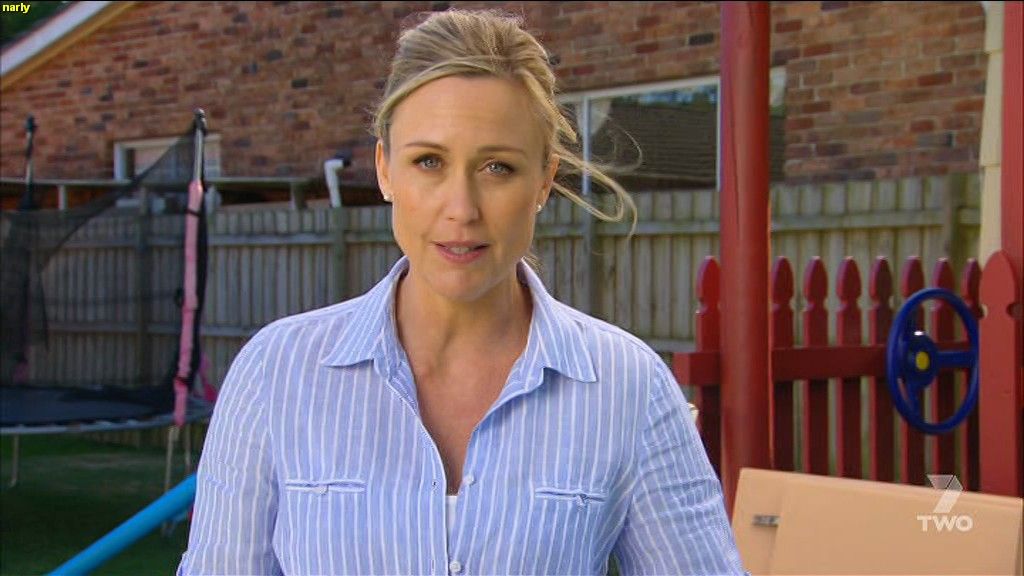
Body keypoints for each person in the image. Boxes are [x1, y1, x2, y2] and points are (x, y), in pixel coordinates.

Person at [178, 9, 746, 576]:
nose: (462, 208)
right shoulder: (276, 372)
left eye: (498, 167)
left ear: (544, 180)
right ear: (385, 169)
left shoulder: (628, 386)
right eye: (429, 161)